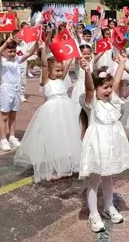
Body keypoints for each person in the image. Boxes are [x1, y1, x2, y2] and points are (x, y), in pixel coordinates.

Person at [79, 54, 129, 233]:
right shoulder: (92, 102)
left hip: (111, 144)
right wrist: (87, 71)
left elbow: (117, 82)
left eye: (109, 87)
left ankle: (108, 207)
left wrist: (122, 64)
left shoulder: (113, 101)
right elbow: (88, 88)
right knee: (94, 180)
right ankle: (93, 214)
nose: (109, 90)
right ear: (95, 89)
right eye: (104, 87)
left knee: (109, 178)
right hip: (97, 145)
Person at [14, 41, 81, 183]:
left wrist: (72, 46)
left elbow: (67, 63)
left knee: (66, 136)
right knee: (53, 138)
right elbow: (44, 65)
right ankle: (54, 167)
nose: (60, 73)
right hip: (52, 111)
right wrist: (43, 49)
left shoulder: (62, 79)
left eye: (61, 70)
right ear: (49, 71)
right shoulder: (46, 81)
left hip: (65, 110)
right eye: (57, 70)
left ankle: (65, 166)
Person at [0, 37, 39, 151]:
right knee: (4, 115)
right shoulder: (1, 61)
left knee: (13, 115)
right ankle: (3, 139)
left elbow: (29, 53)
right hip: (6, 89)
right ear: (5, 50)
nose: (12, 53)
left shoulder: (17, 59)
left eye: (14, 51)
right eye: (10, 51)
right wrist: (6, 43)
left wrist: (36, 43)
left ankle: (12, 136)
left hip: (16, 89)